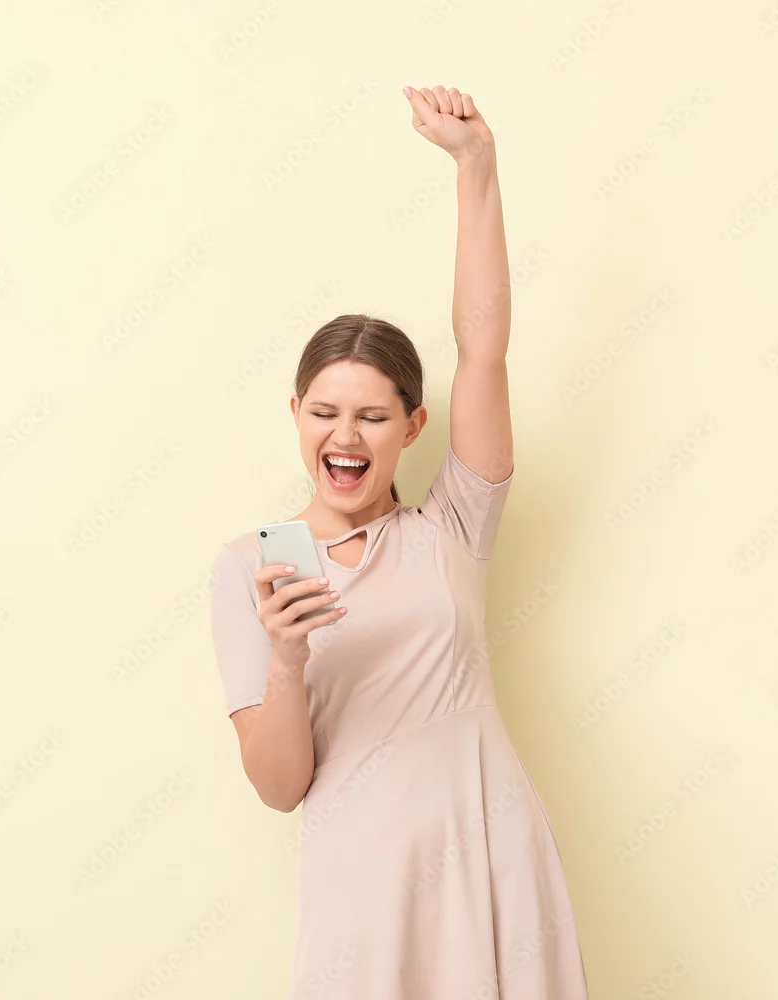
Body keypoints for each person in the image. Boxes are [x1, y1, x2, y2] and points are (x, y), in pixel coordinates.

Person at [210, 85, 590, 999]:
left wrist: (475, 167)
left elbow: (484, 348)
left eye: (373, 416)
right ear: (295, 414)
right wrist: (288, 658)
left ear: (414, 426)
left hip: (490, 854)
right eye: (325, 412)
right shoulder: (253, 566)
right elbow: (279, 787)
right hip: (362, 887)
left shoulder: (453, 525)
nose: (345, 436)